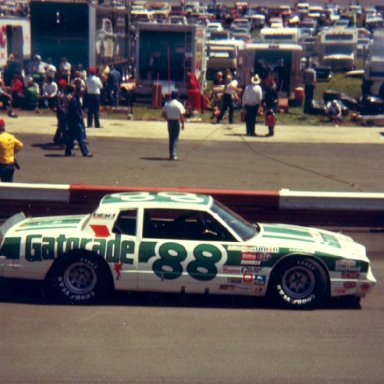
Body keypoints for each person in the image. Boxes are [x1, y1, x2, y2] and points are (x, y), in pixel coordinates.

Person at [65, 83, 92, 157]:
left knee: (71, 136)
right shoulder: (74, 99)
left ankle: (68, 151)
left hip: (72, 120)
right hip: (76, 120)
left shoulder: (76, 98)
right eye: (81, 90)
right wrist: (80, 117)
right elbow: (76, 111)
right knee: (81, 137)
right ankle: (85, 152)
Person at [161, 91, 185, 160]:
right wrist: (183, 124)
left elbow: (163, 114)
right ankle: (173, 154)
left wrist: (167, 119)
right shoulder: (178, 104)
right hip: (176, 121)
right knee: (175, 138)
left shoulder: (167, 104)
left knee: (171, 138)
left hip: (170, 122)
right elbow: (181, 115)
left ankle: (171, 153)